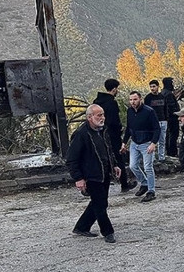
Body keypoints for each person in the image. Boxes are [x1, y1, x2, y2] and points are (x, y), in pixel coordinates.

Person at [67, 104, 121, 244]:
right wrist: (78, 178)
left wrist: (114, 165)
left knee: (99, 202)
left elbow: (108, 149)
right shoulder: (81, 134)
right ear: (89, 117)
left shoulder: (103, 131)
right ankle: (108, 232)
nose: (102, 118)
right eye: (99, 115)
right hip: (91, 175)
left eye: (103, 114)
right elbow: (72, 159)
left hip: (104, 173)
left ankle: (81, 227)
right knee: (100, 204)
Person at [93, 78, 137, 193]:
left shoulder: (96, 101)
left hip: (98, 134)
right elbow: (113, 121)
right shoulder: (111, 102)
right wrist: (119, 129)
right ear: (114, 89)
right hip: (112, 135)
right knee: (119, 158)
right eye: (117, 89)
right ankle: (124, 183)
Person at [121, 91, 160, 202]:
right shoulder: (129, 111)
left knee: (148, 167)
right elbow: (129, 128)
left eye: (135, 99)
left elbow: (157, 128)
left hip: (147, 142)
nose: (133, 102)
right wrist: (124, 143)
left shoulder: (149, 111)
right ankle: (144, 183)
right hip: (135, 142)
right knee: (133, 165)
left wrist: (153, 143)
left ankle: (151, 191)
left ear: (140, 99)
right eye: (131, 100)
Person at [144, 79, 168, 161]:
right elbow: (146, 111)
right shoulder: (148, 98)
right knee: (153, 141)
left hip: (163, 120)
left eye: (154, 86)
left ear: (158, 86)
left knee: (162, 140)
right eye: (150, 87)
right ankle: (152, 158)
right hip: (153, 122)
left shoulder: (162, 97)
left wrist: (166, 119)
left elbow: (166, 108)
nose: (152, 88)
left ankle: (162, 157)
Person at [162, 77, 181, 157]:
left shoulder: (162, 93)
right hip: (172, 118)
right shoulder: (169, 94)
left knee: (168, 135)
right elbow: (172, 107)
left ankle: (169, 151)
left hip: (166, 118)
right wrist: (178, 114)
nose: (173, 84)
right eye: (172, 82)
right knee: (173, 134)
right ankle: (172, 152)